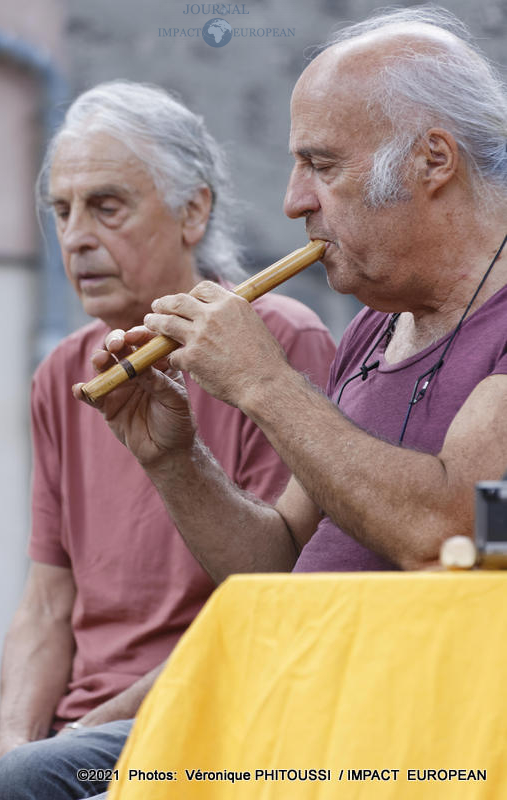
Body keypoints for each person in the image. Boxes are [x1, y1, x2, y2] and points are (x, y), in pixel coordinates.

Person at [0, 82, 335, 800]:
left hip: (214, 708)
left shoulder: (279, 339)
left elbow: (268, 600)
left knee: (31, 777)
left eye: (107, 206)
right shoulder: (62, 372)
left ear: (193, 211)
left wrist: (73, 735)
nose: (76, 237)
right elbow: (46, 603)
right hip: (80, 717)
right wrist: (14, 740)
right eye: (62, 210)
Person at [77, 5, 507, 592]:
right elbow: (277, 566)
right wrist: (175, 460)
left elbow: (451, 535)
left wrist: (264, 382)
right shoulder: (375, 328)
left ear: (432, 160)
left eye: (321, 165)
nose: (294, 201)